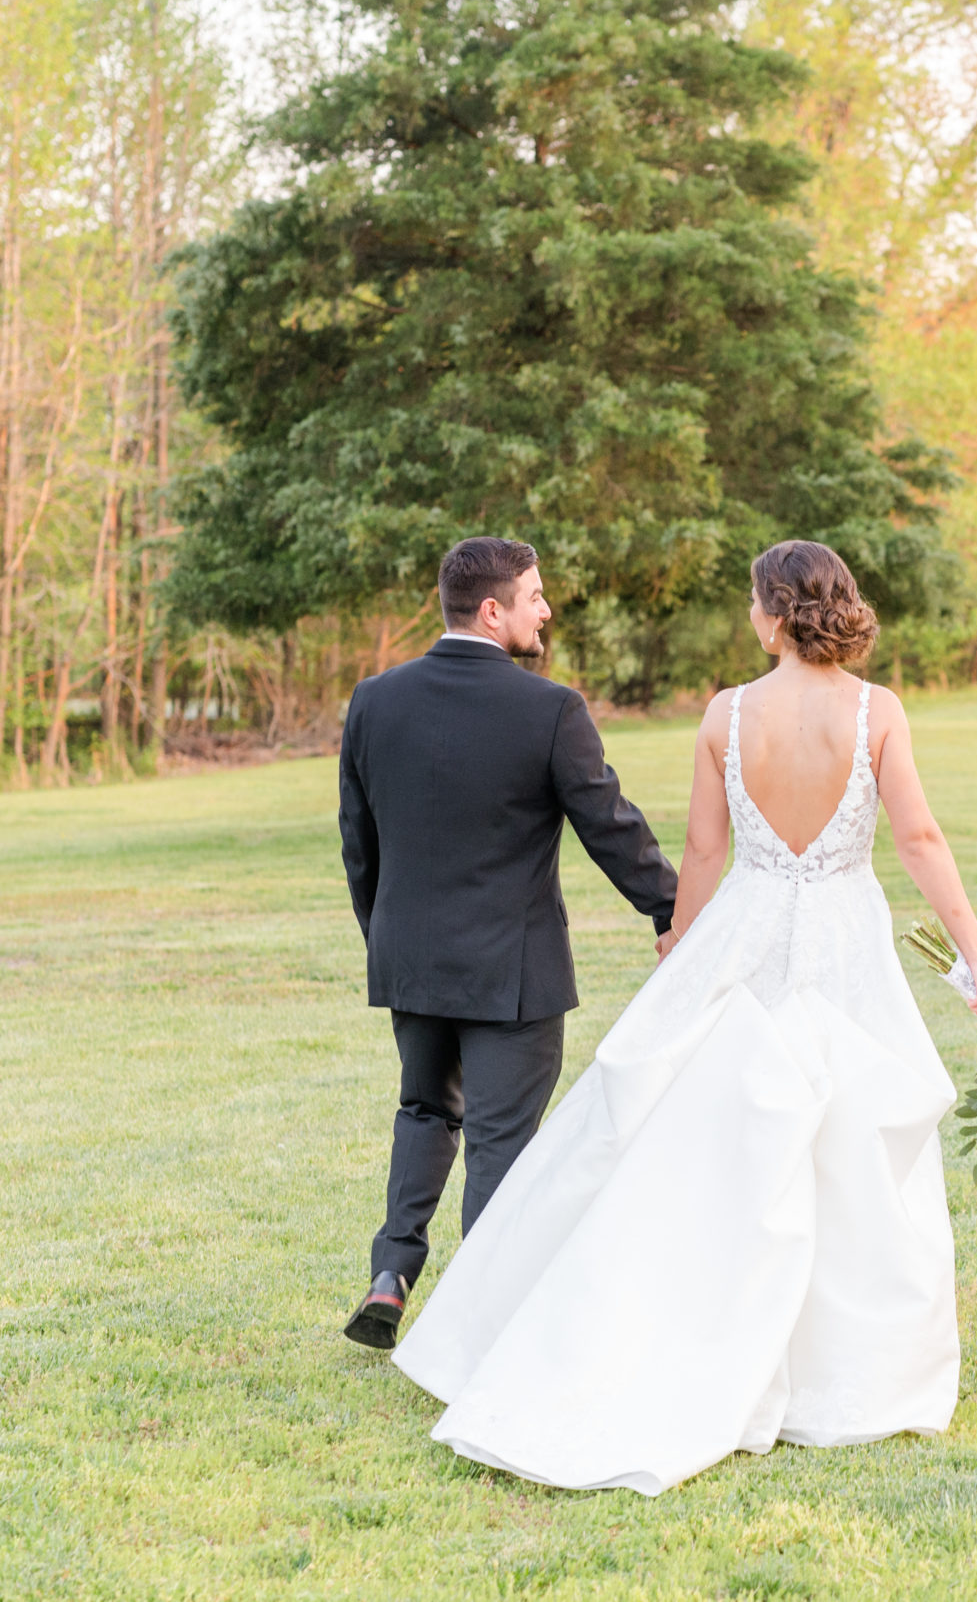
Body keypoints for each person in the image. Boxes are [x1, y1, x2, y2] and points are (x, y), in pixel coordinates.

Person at [389, 539, 977, 1495]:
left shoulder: (726, 714)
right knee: (849, 1139)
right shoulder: (876, 711)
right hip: (846, 934)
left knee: (719, 1132)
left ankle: (696, 1321)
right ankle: (846, 1372)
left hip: (750, 930)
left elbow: (702, 849)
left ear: (772, 611)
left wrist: (682, 944)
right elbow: (919, 837)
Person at [335, 537, 678, 1350]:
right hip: (512, 973)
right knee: (499, 1140)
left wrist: (388, 934)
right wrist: (673, 910)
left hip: (412, 958)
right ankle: (477, 1331)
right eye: (535, 595)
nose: (545, 609)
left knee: (423, 1109)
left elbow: (359, 840)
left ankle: (391, 1273)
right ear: (493, 610)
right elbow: (611, 826)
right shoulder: (549, 709)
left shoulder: (374, 700)